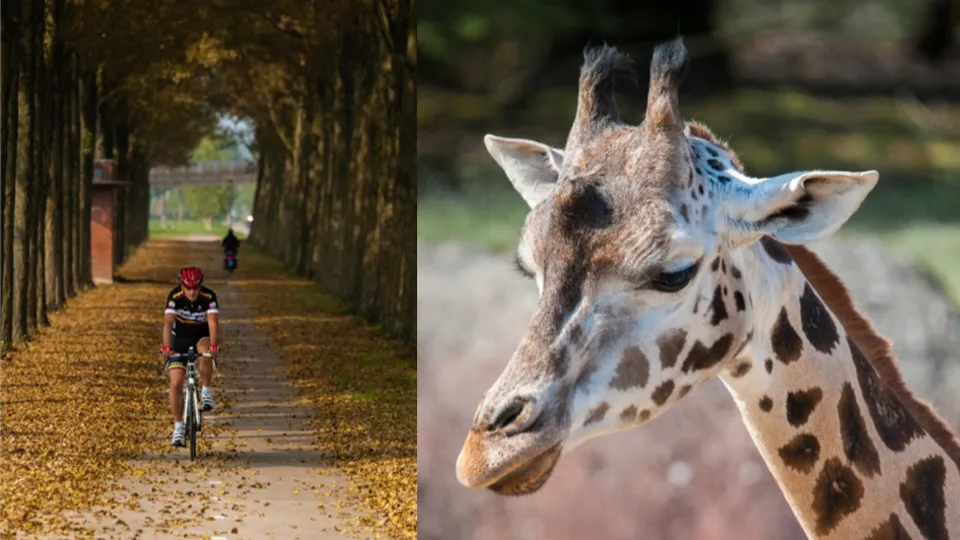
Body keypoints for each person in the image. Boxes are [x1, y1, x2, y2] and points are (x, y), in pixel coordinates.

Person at [161, 267, 220, 447]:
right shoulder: (174, 297)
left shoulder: (209, 296)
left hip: (200, 335)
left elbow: (213, 323)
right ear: (182, 286)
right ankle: (179, 425)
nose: (192, 292)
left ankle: (206, 389)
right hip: (179, 337)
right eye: (188, 288)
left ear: (201, 286)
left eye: (196, 288)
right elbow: (168, 323)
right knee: (176, 383)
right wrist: (167, 347)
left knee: (206, 352)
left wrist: (214, 345)